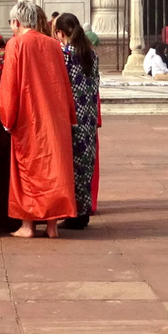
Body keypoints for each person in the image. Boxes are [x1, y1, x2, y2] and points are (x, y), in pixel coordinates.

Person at [0, 0, 75, 238]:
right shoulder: (53, 45)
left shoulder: (16, 44)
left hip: (28, 118)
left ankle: (28, 225)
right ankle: (52, 225)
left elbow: (10, 85)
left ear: (16, 21)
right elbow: (64, 83)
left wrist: (6, 117)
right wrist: (69, 114)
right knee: (53, 169)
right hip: (55, 117)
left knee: (28, 171)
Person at [54, 13, 100, 230]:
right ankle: (83, 212)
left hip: (72, 117)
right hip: (88, 116)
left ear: (60, 33)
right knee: (85, 165)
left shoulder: (64, 54)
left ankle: (73, 213)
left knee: (72, 165)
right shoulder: (91, 54)